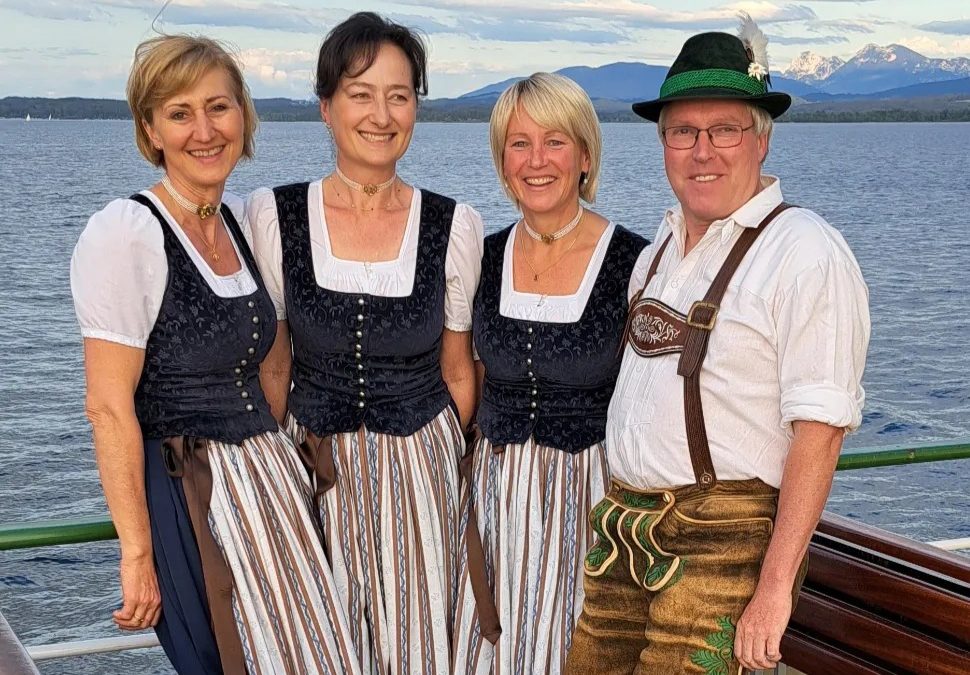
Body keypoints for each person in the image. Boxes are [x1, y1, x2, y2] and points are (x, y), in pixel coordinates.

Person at [566, 15, 870, 675]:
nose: (702, 150)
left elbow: (820, 431)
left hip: (720, 551)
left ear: (762, 140)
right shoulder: (660, 250)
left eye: (725, 129)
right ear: (663, 143)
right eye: (682, 132)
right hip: (622, 535)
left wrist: (771, 588)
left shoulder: (805, 252)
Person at [71, 35, 359, 674]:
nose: (204, 130)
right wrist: (137, 553)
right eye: (179, 113)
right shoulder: (128, 232)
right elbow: (108, 407)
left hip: (269, 486)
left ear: (244, 117)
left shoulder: (236, 221)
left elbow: (271, 363)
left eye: (219, 107)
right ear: (151, 129)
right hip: (193, 495)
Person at [246, 12, 483, 675]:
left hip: (422, 475)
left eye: (399, 95)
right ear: (326, 107)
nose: (381, 114)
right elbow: (276, 361)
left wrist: (437, 469)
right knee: (318, 647)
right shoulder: (273, 214)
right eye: (360, 93)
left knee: (415, 648)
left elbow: (458, 370)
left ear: (416, 107)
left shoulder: (454, 224)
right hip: (310, 469)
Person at [452, 73, 648, 674]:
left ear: (585, 155)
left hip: (590, 503)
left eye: (555, 142)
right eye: (519, 143)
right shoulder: (481, 256)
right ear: (502, 160)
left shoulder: (635, 262)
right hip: (492, 499)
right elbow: (465, 378)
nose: (537, 161)